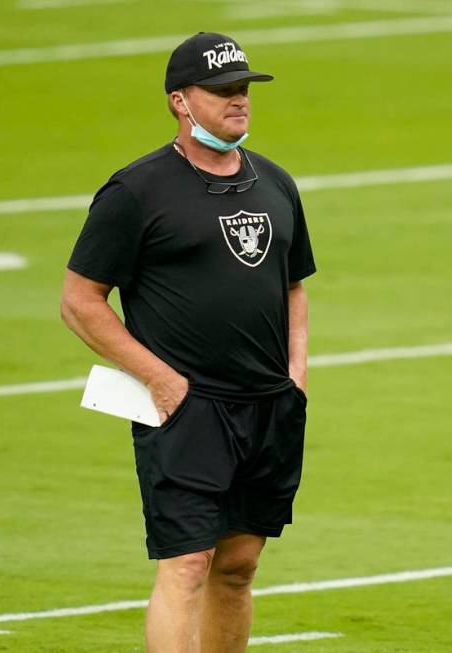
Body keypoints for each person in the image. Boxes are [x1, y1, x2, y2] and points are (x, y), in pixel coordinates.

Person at [60, 31, 315, 653]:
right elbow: (80, 301)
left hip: (269, 407)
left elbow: (294, 289)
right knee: (187, 563)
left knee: (238, 566)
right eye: (223, 89)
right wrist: (161, 380)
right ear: (180, 101)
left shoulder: (275, 183)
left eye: (244, 87)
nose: (239, 99)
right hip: (188, 408)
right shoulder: (136, 192)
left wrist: (296, 378)